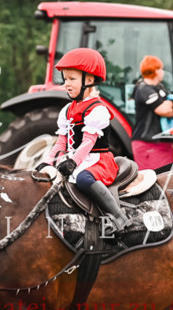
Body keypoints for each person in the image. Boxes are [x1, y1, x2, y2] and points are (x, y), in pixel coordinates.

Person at [37, 47, 129, 232]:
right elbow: (61, 143)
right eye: (65, 79)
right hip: (76, 159)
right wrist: (47, 162)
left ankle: (119, 217)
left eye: (72, 79)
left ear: (89, 80)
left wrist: (73, 162)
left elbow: (88, 142)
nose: (67, 84)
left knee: (83, 179)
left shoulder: (98, 110)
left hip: (97, 161)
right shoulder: (66, 110)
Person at [131, 55, 173, 169]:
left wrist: (170, 106)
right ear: (155, 70)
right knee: (155, 177)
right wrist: (172, 105)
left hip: (162, 144)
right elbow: (164, 111)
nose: (163, 72)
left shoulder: (160, 87)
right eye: (161, 69)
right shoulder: (144, 89)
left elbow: (170, 109)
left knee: (167, 176)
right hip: (148, 144)